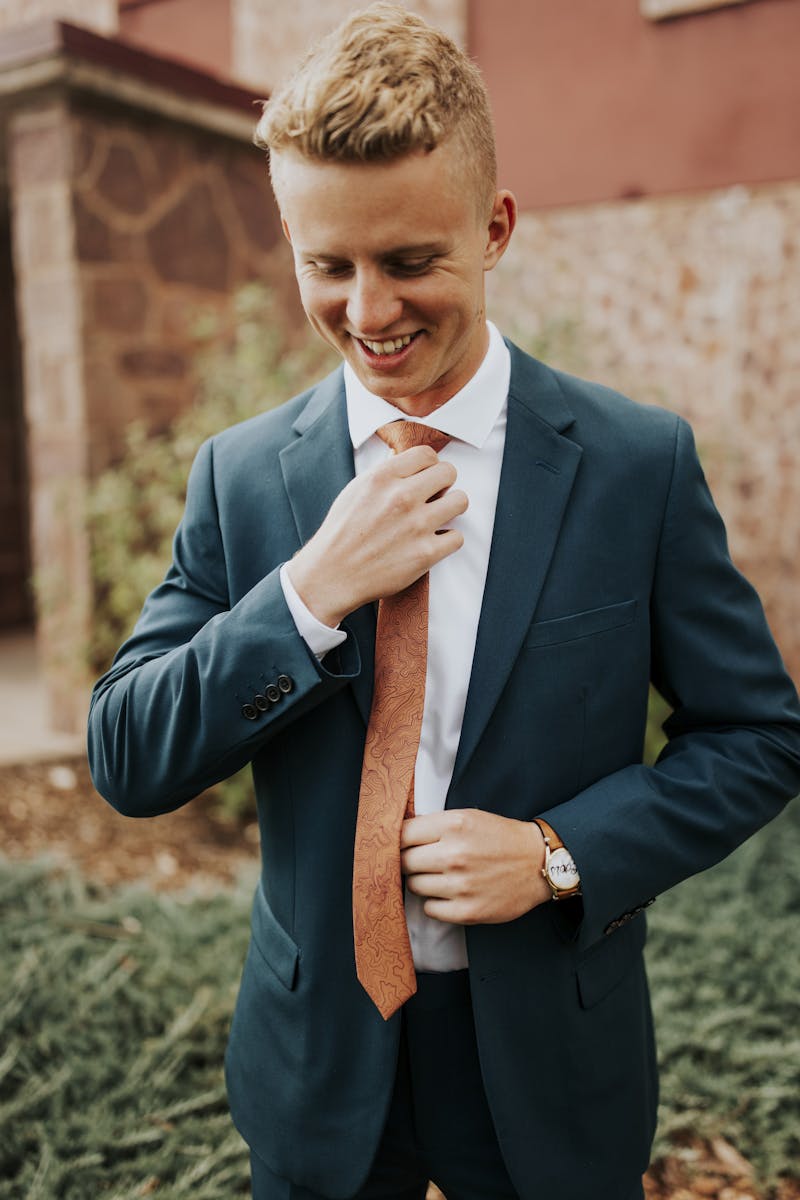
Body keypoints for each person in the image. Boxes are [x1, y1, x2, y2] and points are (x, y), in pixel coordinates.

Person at [87, 5, 800, 1199]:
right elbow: (125, 754)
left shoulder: (633, 466)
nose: (368, 313)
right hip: (318, 1068)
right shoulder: (242, 476)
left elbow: (759, 737)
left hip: (545, 1063)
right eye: (328, 265)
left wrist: (558, 854)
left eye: (410, 261)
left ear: (495, 227)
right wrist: (311, 591)